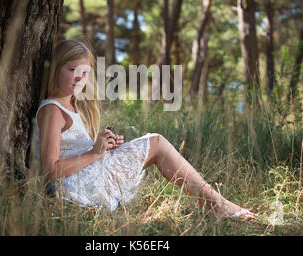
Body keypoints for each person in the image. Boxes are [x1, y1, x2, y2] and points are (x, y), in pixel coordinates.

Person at [34, 39, 256, 221]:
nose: (79, 78)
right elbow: (49, 169)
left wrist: (104, 147)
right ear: (56, 68)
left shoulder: (70, 105)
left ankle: (215, 203)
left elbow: (72, 150)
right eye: (72, 69)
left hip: (85, 176)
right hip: (75, 186)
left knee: (155, 144)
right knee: (156, 142)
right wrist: (94, 153)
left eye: (85, 72)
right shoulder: (53, 110)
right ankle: (215, 204)